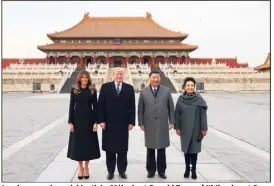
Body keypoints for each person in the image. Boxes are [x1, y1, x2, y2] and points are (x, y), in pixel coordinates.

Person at [97, 67, 135, 180]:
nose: (119, 76)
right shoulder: (105, 87)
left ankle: (122, 171)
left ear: (123, 76)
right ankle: (110, 171)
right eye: (117, 74)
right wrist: (101, 120)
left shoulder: (129, 88)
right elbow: (100, 105)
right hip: (108, 123)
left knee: (123, 149)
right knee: (110, 149)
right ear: (113, 75)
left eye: (121, 74)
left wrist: (131, 122)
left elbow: (132, 107)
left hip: (123, 123)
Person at [138, 70, 175, 179]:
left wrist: (172, 121)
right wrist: (141, 123)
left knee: (161, 148)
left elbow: (171, 108)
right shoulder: (143, 92)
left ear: (160, 78)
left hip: (162, 123)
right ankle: (151, 170)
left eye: (157, 77)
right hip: (149, 123)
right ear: (149, 78)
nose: (156, 79)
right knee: (150, 148)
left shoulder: (166, 91)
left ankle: (162, 171)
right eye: (153, 77)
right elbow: (140, 109)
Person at [67, 70, 101, 180]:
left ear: (88, 78)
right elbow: (71, 106)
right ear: (79, 78)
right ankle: (80, 167)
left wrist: (96, 122)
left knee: (88, 145)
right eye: (83, 77)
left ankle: (86, 167)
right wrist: (70, 122)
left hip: (89, 121)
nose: (85, 79)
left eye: (86, 77)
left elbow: (95, 107)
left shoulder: (92, 90)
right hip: (77, 121)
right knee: (78, 145)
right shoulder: (74, 90)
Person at [174, 77, 208, 180]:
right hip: (184, 128)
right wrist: (177, 127)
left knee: (194, 151)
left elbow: (203, 115)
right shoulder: (180, 99)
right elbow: (177, 114)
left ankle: (193, 170)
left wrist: (204, 128)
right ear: (184, 87)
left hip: (196, 128)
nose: (190, 87)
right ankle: (187, 169)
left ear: (194, 87)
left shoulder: (199, 99)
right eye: (188, 85)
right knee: (186, 150)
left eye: (192, 85)